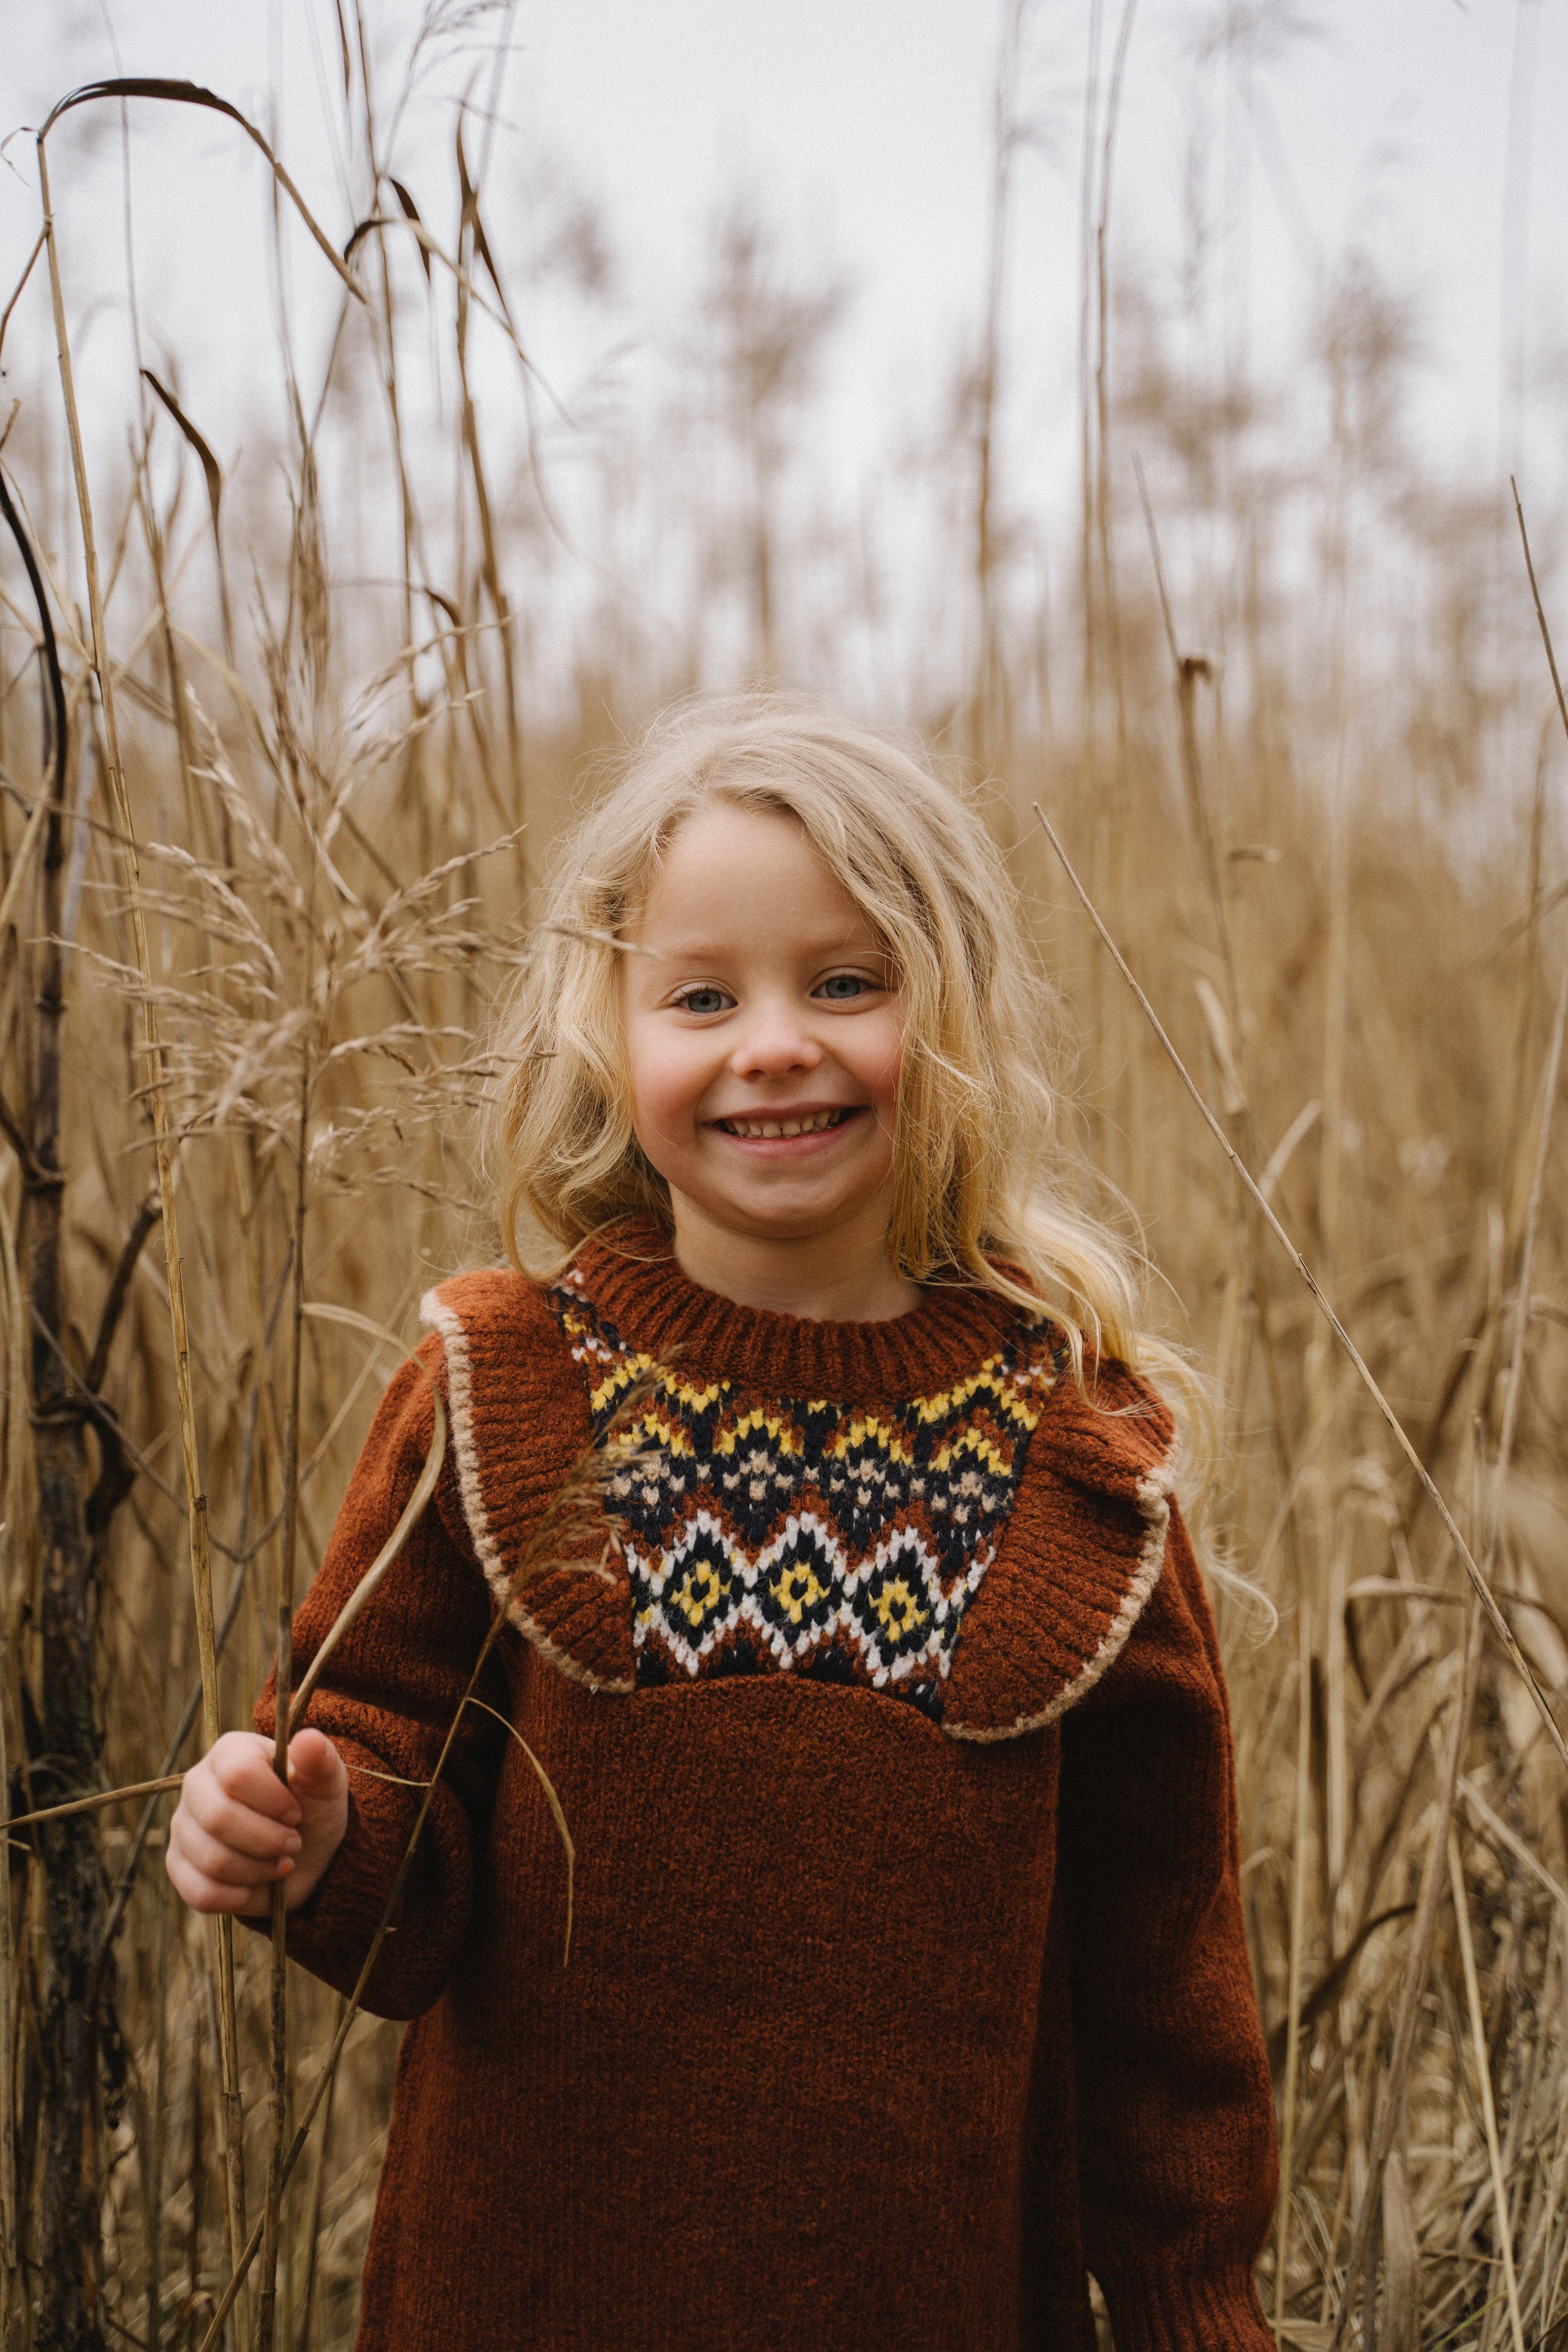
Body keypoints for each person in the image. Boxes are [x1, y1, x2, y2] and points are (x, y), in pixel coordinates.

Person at [167, 696, 1278, 2350]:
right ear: (608, 1038)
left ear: (957, 1015)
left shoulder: (1073, 1456)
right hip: (524, 2303)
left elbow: (1162, 1977)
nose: (774, 1044)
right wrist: (312, 1838)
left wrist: (1197, 2311)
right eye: (703, 996)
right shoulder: (505, 1387)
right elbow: (389, 1821)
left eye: (847, 983)